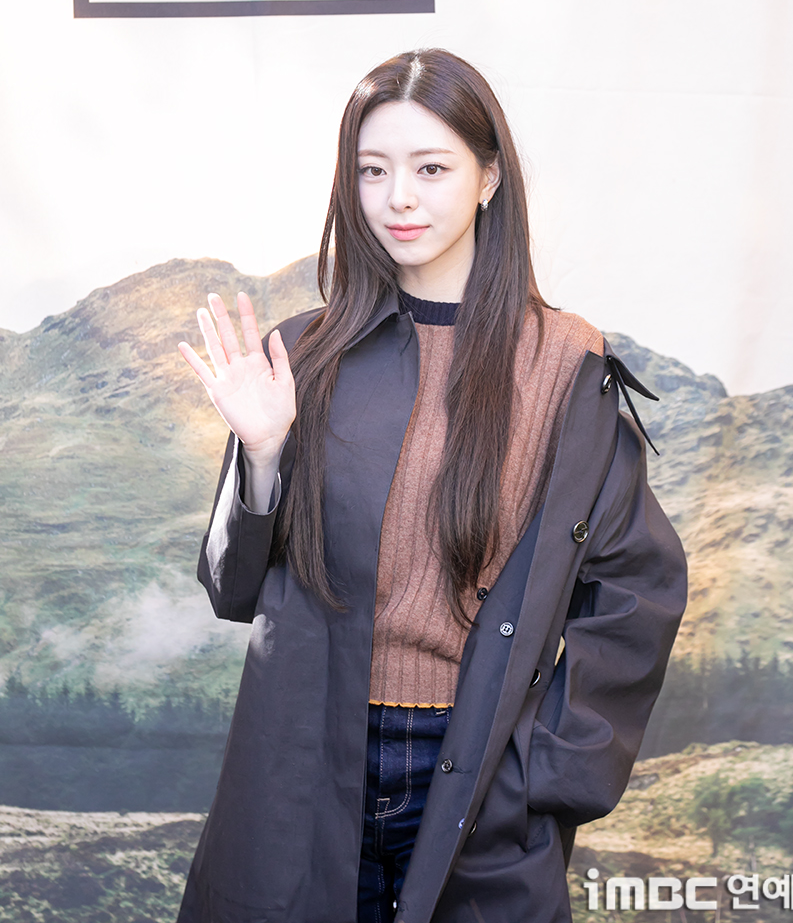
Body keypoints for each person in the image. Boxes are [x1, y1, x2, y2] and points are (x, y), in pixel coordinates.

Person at [176, 49, 687, 923]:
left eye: (431, 168)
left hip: (477, 778)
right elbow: (232, 589)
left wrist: (546, 776)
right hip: (304, 764)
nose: (397, 199)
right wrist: (261, 454)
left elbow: (637, 587)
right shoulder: (302, 354)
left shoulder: (565, 364)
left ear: (489, 177)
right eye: (372, 171)